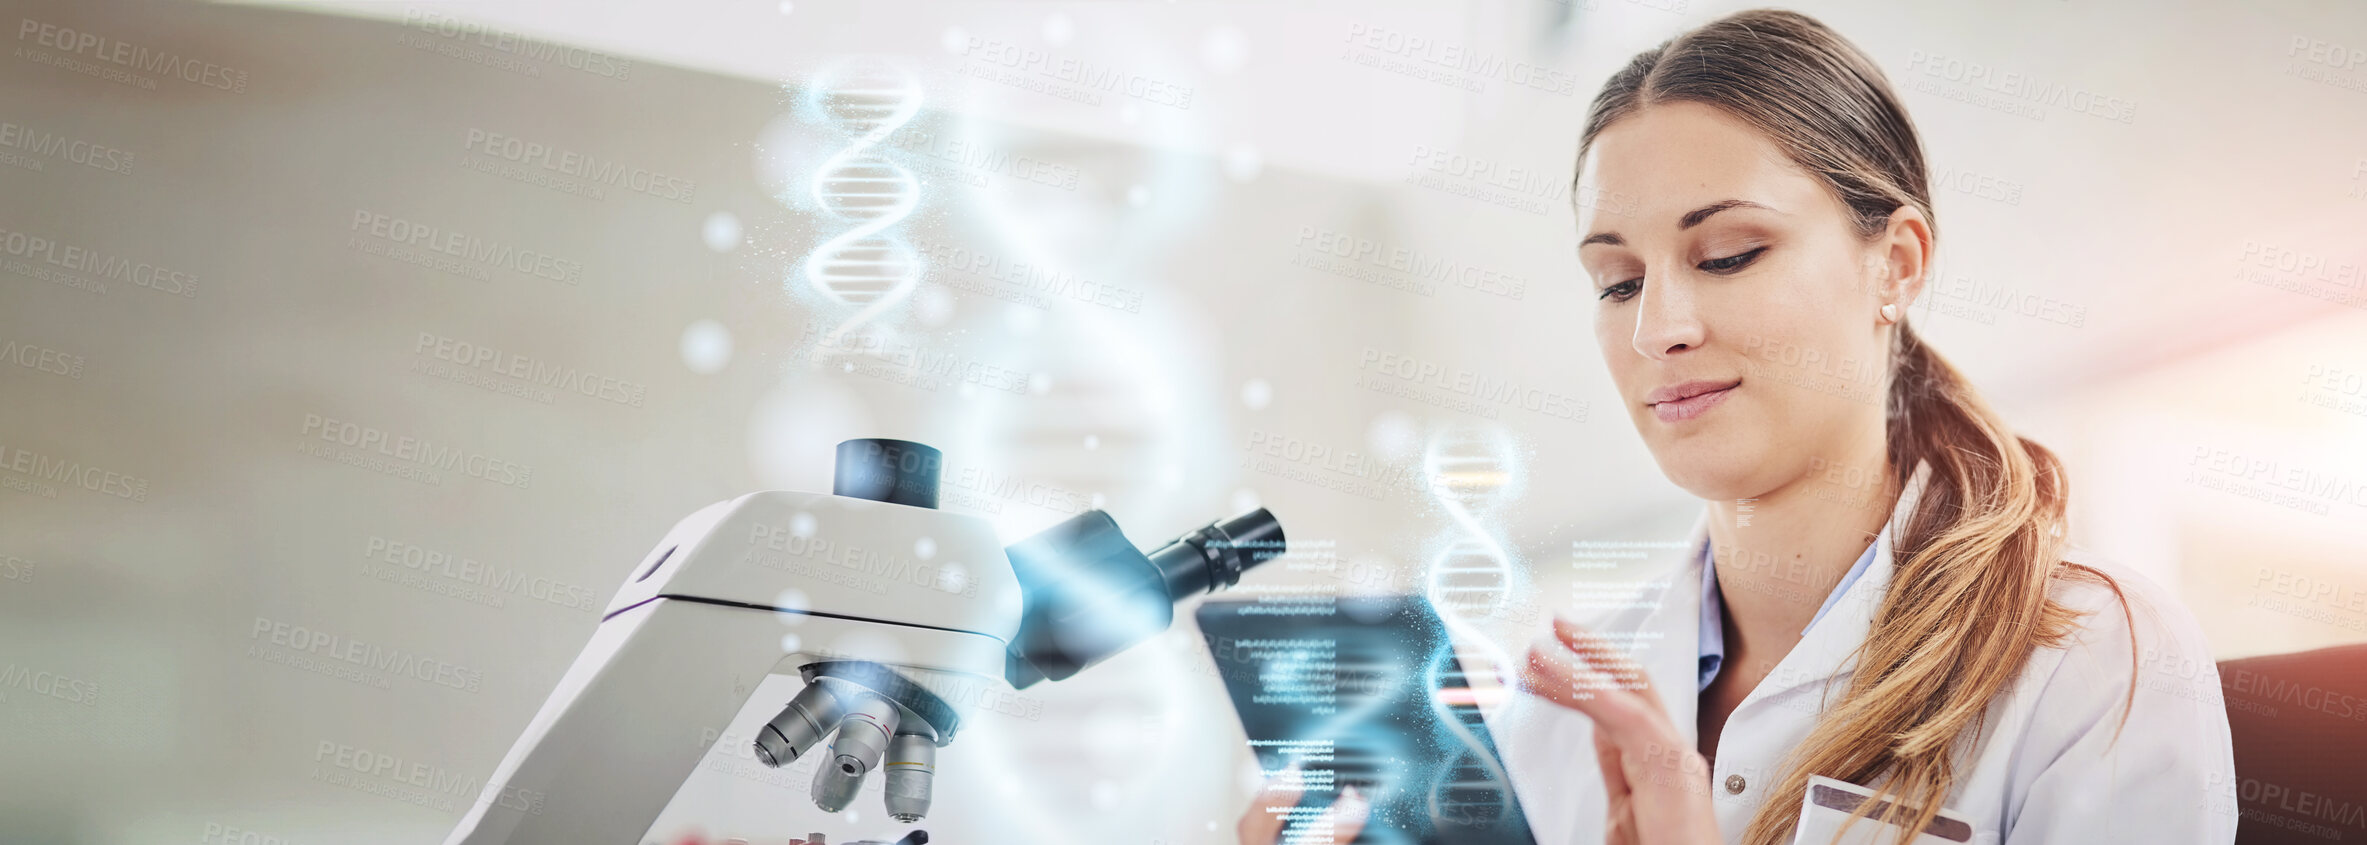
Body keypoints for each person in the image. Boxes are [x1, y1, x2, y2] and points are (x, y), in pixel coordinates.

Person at [1242, 9, 2234, 844]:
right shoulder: (1554, 705)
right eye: (1617, 280)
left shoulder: (2102, 658)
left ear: (1896, 264)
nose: (1658, 327)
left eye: (1727, 255)